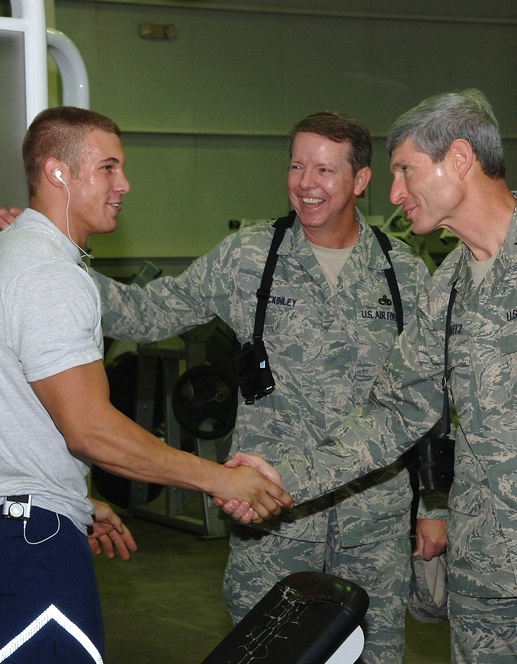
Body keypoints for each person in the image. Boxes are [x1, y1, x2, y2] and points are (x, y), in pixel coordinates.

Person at [238, 89, 517, 663]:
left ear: (462, 159)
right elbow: (395, 410)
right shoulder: (445, 288)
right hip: (481, 581)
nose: (394, 194)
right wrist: (282, 477)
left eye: (405, 171)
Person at [55, 111, 441, 663]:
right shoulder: (249, 258)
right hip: (269, 518)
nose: (306, 183)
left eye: (324, 170)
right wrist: (60, 261)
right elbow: (147, 313)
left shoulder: (401, 272)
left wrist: (434, 502)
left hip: (373, 523)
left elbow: (425, 397)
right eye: (296, 166)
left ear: (360, 181)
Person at [0, 106, 292, 664]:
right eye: (107, 168)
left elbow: (2, 411)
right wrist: (221, 479)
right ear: (59, 173)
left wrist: (75, 500)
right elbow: (91, 431)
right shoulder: (50, 276)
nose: (124, 184)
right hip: (24, 542)